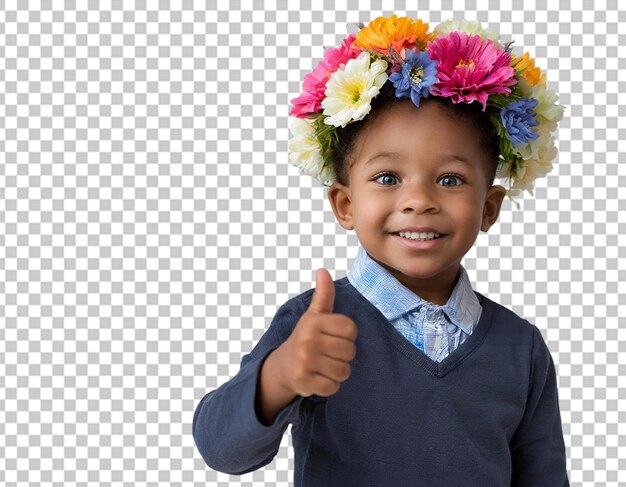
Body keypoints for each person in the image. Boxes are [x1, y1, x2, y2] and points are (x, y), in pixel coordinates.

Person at [193, 14, 569, 485]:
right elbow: (219, 448)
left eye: (450, 179)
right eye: (388, 178)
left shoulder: (521, 348)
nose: (418, 201)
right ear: (345, 203)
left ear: (489, 208)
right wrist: (281, 375)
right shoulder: (313, 327)